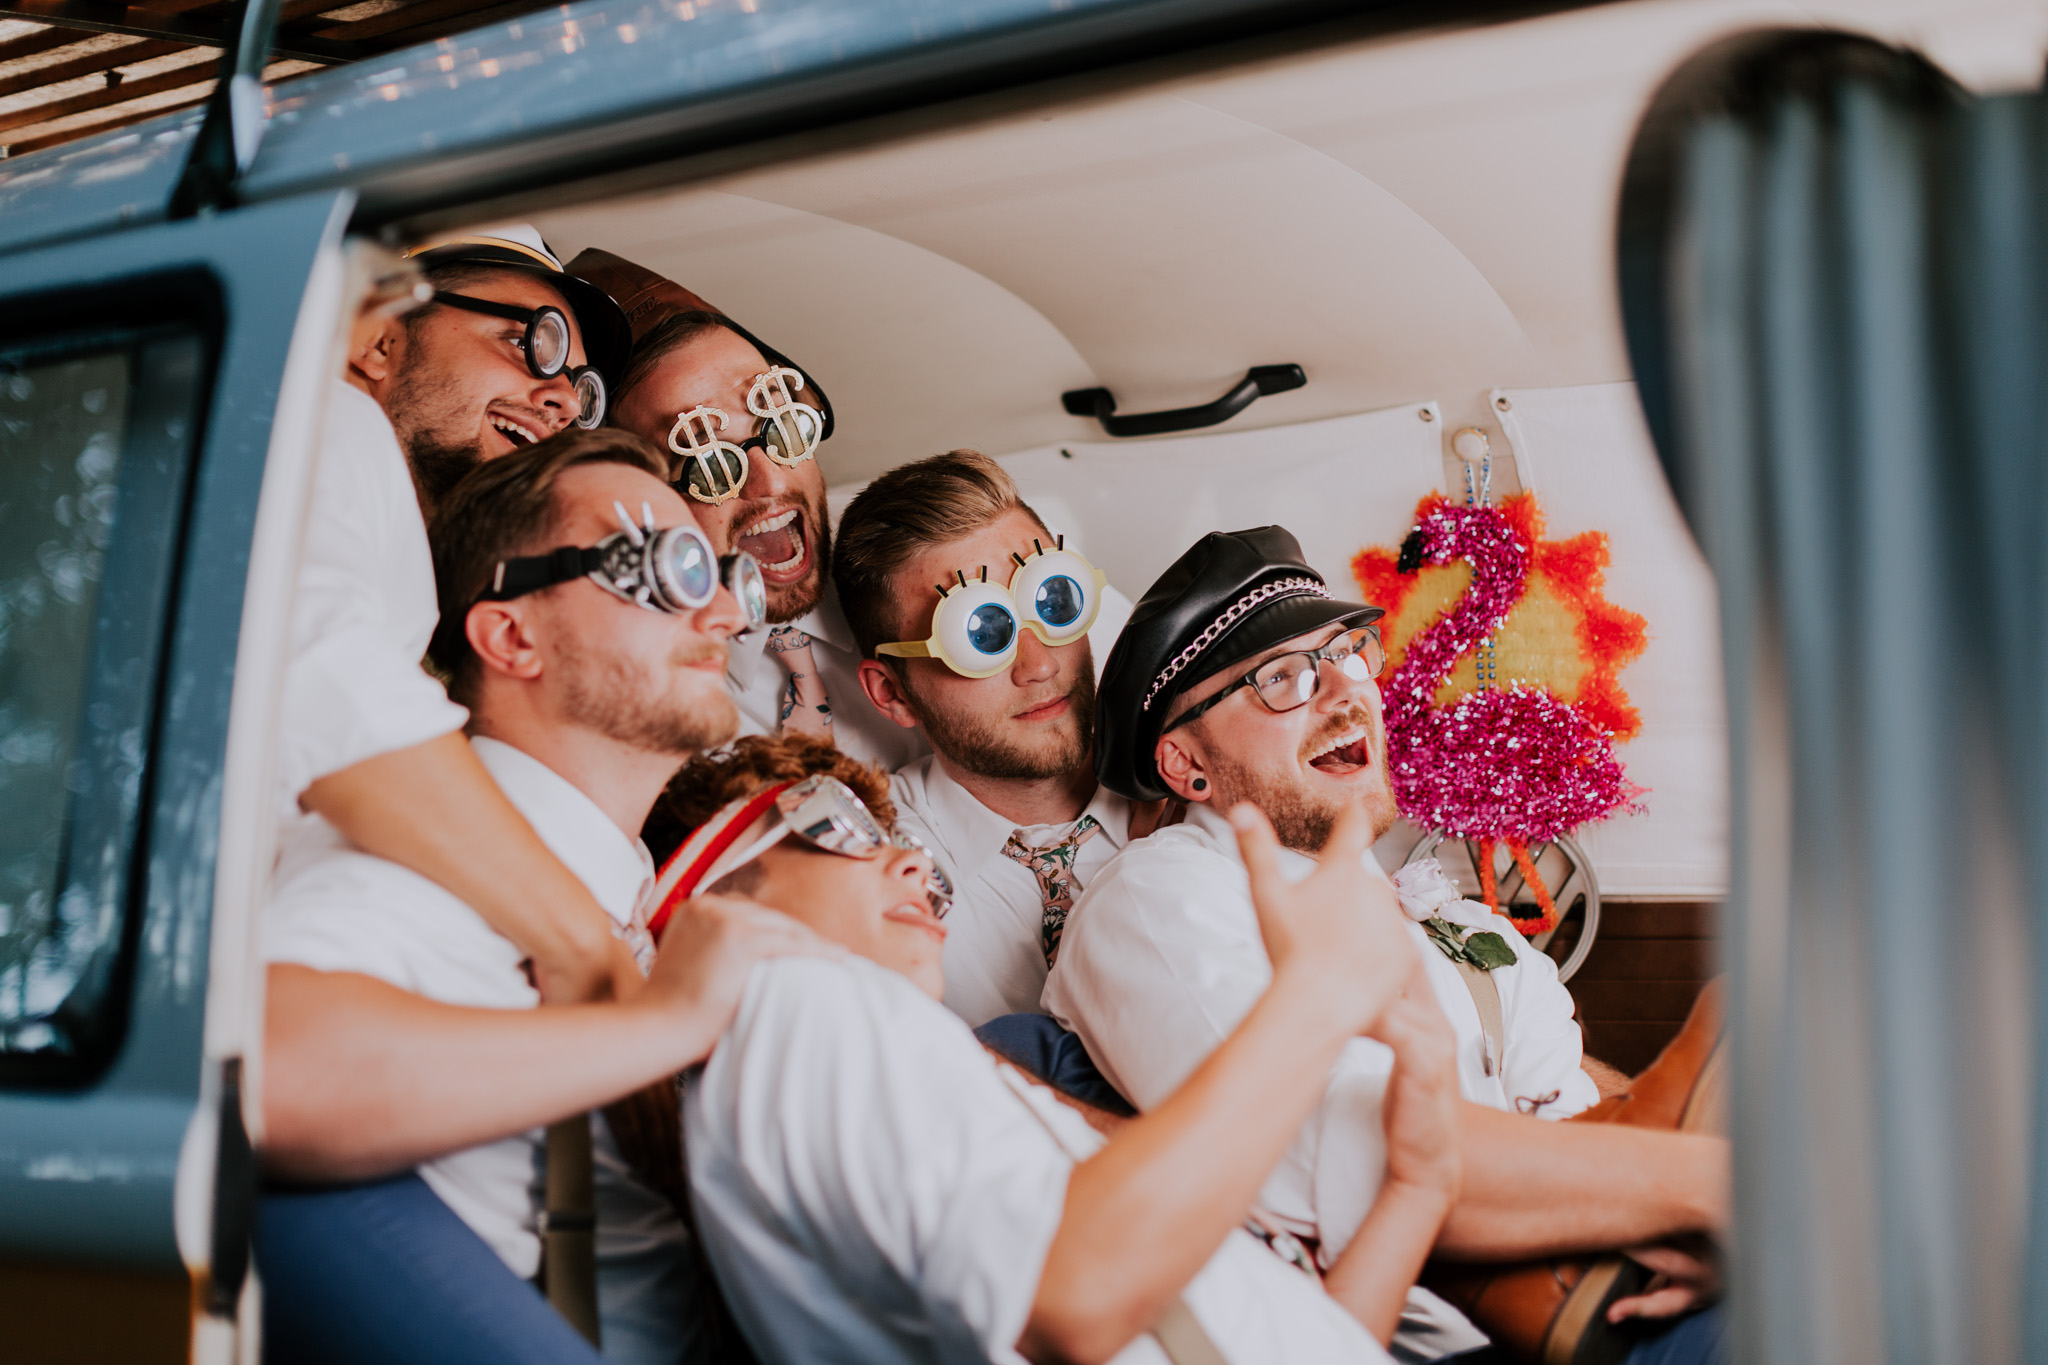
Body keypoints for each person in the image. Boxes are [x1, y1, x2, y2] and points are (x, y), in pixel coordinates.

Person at [1044, 526, 1726, 1363]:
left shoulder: (1466, 925)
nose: (1342, 690)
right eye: (1281, 678)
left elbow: (1567, 1107)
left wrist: (1675, 1233)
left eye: (1347, 652)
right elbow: (1349, 1160)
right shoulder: (1159, 898)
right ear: (1187, 763)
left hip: (1596, 1290)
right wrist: (1705, 1193)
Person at [257, 429, 829, 1364]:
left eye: (718, 571)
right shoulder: (430, 866)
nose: (726, 612)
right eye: (666, 566)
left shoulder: (620, 886)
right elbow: (275, 1068)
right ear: (512, 632)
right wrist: (673, 1021)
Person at [653, 732, 1466, 1364]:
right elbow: (1079, 1295)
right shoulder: (803, 1003)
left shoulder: (931, 1068)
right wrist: (1314, 1000)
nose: (912, 866)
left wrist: (1416, 1184)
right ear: (704, 890)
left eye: (928, 869)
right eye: (839, 823)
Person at [570, 253, 1132, 768]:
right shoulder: (628, 696)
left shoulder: (939, 553)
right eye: (709, 463)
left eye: (782, 428)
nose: (770, 484)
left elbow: (1147, 688)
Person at [289, 225, 643, 1006]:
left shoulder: (410, 563)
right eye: (529, 344)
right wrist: (585, 946)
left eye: (582, 393)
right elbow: (325, 687)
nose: (560, 399)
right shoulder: (334, 426)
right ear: (380, 340)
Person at [828, 450, 1152, 1046]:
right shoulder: (867, 875)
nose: (1040, 664)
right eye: (980, 635)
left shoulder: (1195, 772)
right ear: (892, 693)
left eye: (1053, 604)